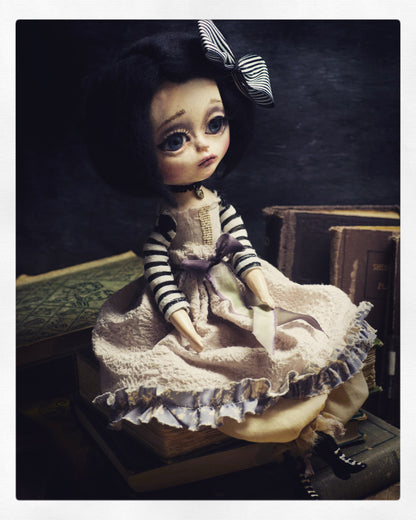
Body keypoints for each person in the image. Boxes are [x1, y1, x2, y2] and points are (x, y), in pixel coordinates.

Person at [85, 20, 375, 499]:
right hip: (191, 299)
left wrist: (256, 281)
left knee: (307, 320)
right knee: (205, 363)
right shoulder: (166, 222)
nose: (204, 146)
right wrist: (178, 315)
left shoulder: (220, 205)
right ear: (135, 151)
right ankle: (294, 439)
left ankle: (312, 432)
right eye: (174, 139)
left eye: (215, 124)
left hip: (236, 286)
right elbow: (158, 268)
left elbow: (238, 245)